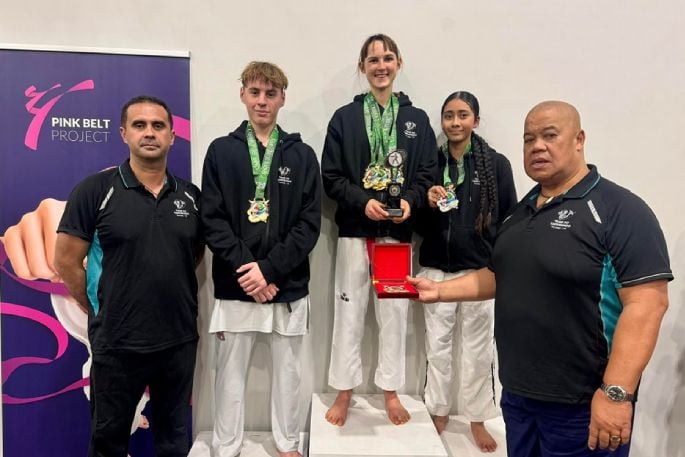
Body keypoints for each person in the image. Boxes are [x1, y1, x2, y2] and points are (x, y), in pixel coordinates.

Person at [408, 100, 672, 457]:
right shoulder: (522, 212)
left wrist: (616, 394)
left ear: (579, 139)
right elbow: (501, 276)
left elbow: (647, 304)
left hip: (583, 407)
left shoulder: (619, 210)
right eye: (529, 138)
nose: (537, 146)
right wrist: (439, 291)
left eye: (550, 136)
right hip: (519, 400)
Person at [54, 95, 204, 457]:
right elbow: (66, 262)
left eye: (158, 126)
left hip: (178, 340)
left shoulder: (191, 196)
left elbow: (193, 256)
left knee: (172, 439)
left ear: (171, 136)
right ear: (124, 134)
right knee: (108, 442)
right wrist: (96, 308)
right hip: (117, 342)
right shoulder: (95, 191)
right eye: (140, 125)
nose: (149, 133)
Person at [201, 61, 321, 457]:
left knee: (289, 372)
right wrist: (250, 271)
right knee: (230, 374)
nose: (262, 101)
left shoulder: (302, 155)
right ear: (243, 95)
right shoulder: (221, 151)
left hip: (286, 284)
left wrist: (269, 270)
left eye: (271, 94)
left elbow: (309, 225)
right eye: (255, 92)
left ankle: (287, 444)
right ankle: (227, 446)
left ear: (283, 98)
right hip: (238, 284)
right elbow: (213, 220)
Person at [321, 33, 437, 426]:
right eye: (373, 60)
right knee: (349, 312)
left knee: (394, 314)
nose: (381, 65)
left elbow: (427, 174)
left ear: (399, 63)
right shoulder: (345, 118)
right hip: (356, 229)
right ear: (362, 68)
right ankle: (344, 391)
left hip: (397, 236)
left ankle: (390, 391)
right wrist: (360, 201)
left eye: (388, 58)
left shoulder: (416, 120)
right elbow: (331, 177)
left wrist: (410, 201)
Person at [414, 91, 516, 451]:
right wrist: (426, 201)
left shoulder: (496, 164)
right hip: (436, 269)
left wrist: (497, 265)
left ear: (476, 119)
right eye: (448, 116)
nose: (455, 123)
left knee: (478, 350)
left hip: (479, 273)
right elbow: (417, 219)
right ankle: (438, 411)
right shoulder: (429, 163)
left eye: (463, 115)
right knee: (437, 347)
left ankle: (477, 418)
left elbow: (509, 219)